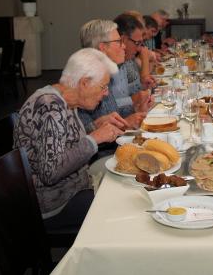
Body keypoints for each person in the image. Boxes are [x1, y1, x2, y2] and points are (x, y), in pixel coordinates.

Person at [13, 48, 124, 228]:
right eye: (103, 86)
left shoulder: (64, 99)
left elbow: (65, 142)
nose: (106, 93)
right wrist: (94, 139)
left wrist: (94, 126)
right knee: (120, 207)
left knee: (124, 182)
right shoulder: (50, 107)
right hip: (54, 203)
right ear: (84, 83)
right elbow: (50, 172)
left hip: (75, 188)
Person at [78, 19, 151, 132]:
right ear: (103, 48)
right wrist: (126, 124)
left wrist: (137, 110)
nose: (124, 46)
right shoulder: (86, 82)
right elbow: (85, 135)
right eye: (118, 42)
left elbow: (112, 114)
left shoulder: (103, 74)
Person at [114, 13, 156, 90]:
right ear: (123, 39)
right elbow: (112, 100)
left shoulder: (127, 58)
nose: (139, 49)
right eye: (137, 43)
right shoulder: (115, 62)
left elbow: (125, 91)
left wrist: (142, 85)